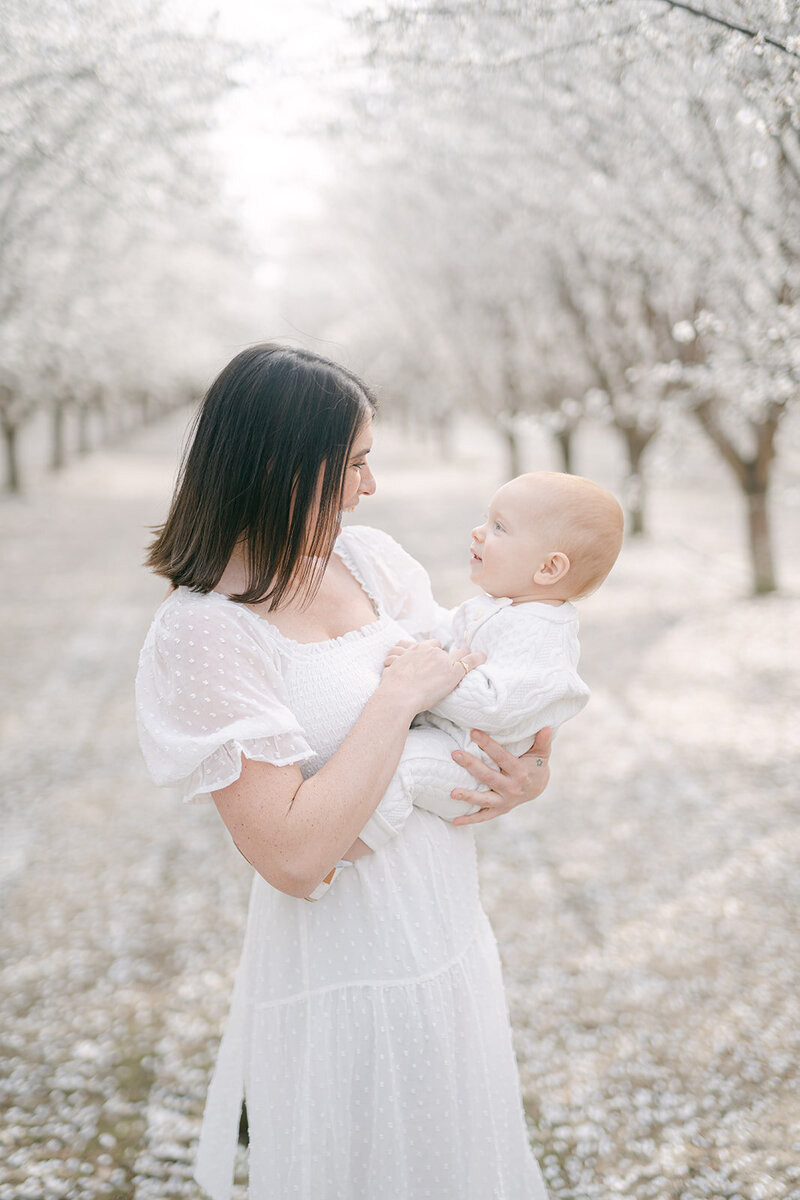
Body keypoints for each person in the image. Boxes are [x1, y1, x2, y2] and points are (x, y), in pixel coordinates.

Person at [135, 343, 553, 1200]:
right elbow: (292, 857)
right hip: (341, 965)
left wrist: (529, 771)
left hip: (443, 928)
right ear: (283, 466)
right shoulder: (207, 629)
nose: (370, 486)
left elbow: (473, 690)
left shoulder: (371, 563)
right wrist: (394, 698)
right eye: (354, 462)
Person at [324, 472, 622, 883]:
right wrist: (428, 654)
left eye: (499, 527)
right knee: (390, 754)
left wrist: (425, 678)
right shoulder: (499, 606)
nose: (478, 532)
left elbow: (493, 705)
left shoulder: (543, 636)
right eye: (487, 520)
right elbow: (449, 636)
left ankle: (334, 859)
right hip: (450, 741)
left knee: (401, 768)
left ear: (549, 567)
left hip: (473, 766)